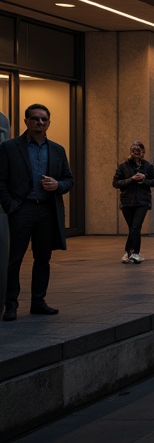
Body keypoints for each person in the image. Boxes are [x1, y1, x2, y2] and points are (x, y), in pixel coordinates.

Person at [1, 104, 75, 320]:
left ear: (49, 123)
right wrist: (12, 206)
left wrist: (57, 185)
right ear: (26, 122)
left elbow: (69, 179)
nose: (39, 123)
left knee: (43, 258)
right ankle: (11, 304)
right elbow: (1, 180)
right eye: (35, 119)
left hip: (46, 211)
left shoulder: (57, 150)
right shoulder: (10, 148)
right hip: (21, 210)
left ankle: (38, 301)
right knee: (14, 259)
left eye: (44, 119)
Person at [113, 140, 154, 262]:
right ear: (130, 151)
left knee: (135, 226)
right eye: (133, 150)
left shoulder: (148, 166)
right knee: (133, 228)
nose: (135, 153)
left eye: (138, 150)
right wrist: (131, 179)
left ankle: (134, 253)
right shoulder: (123, 166)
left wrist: (145, 180)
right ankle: (130, 253)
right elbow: (116, 183)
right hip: (127, 201)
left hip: (142, 201)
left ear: (143, 152)